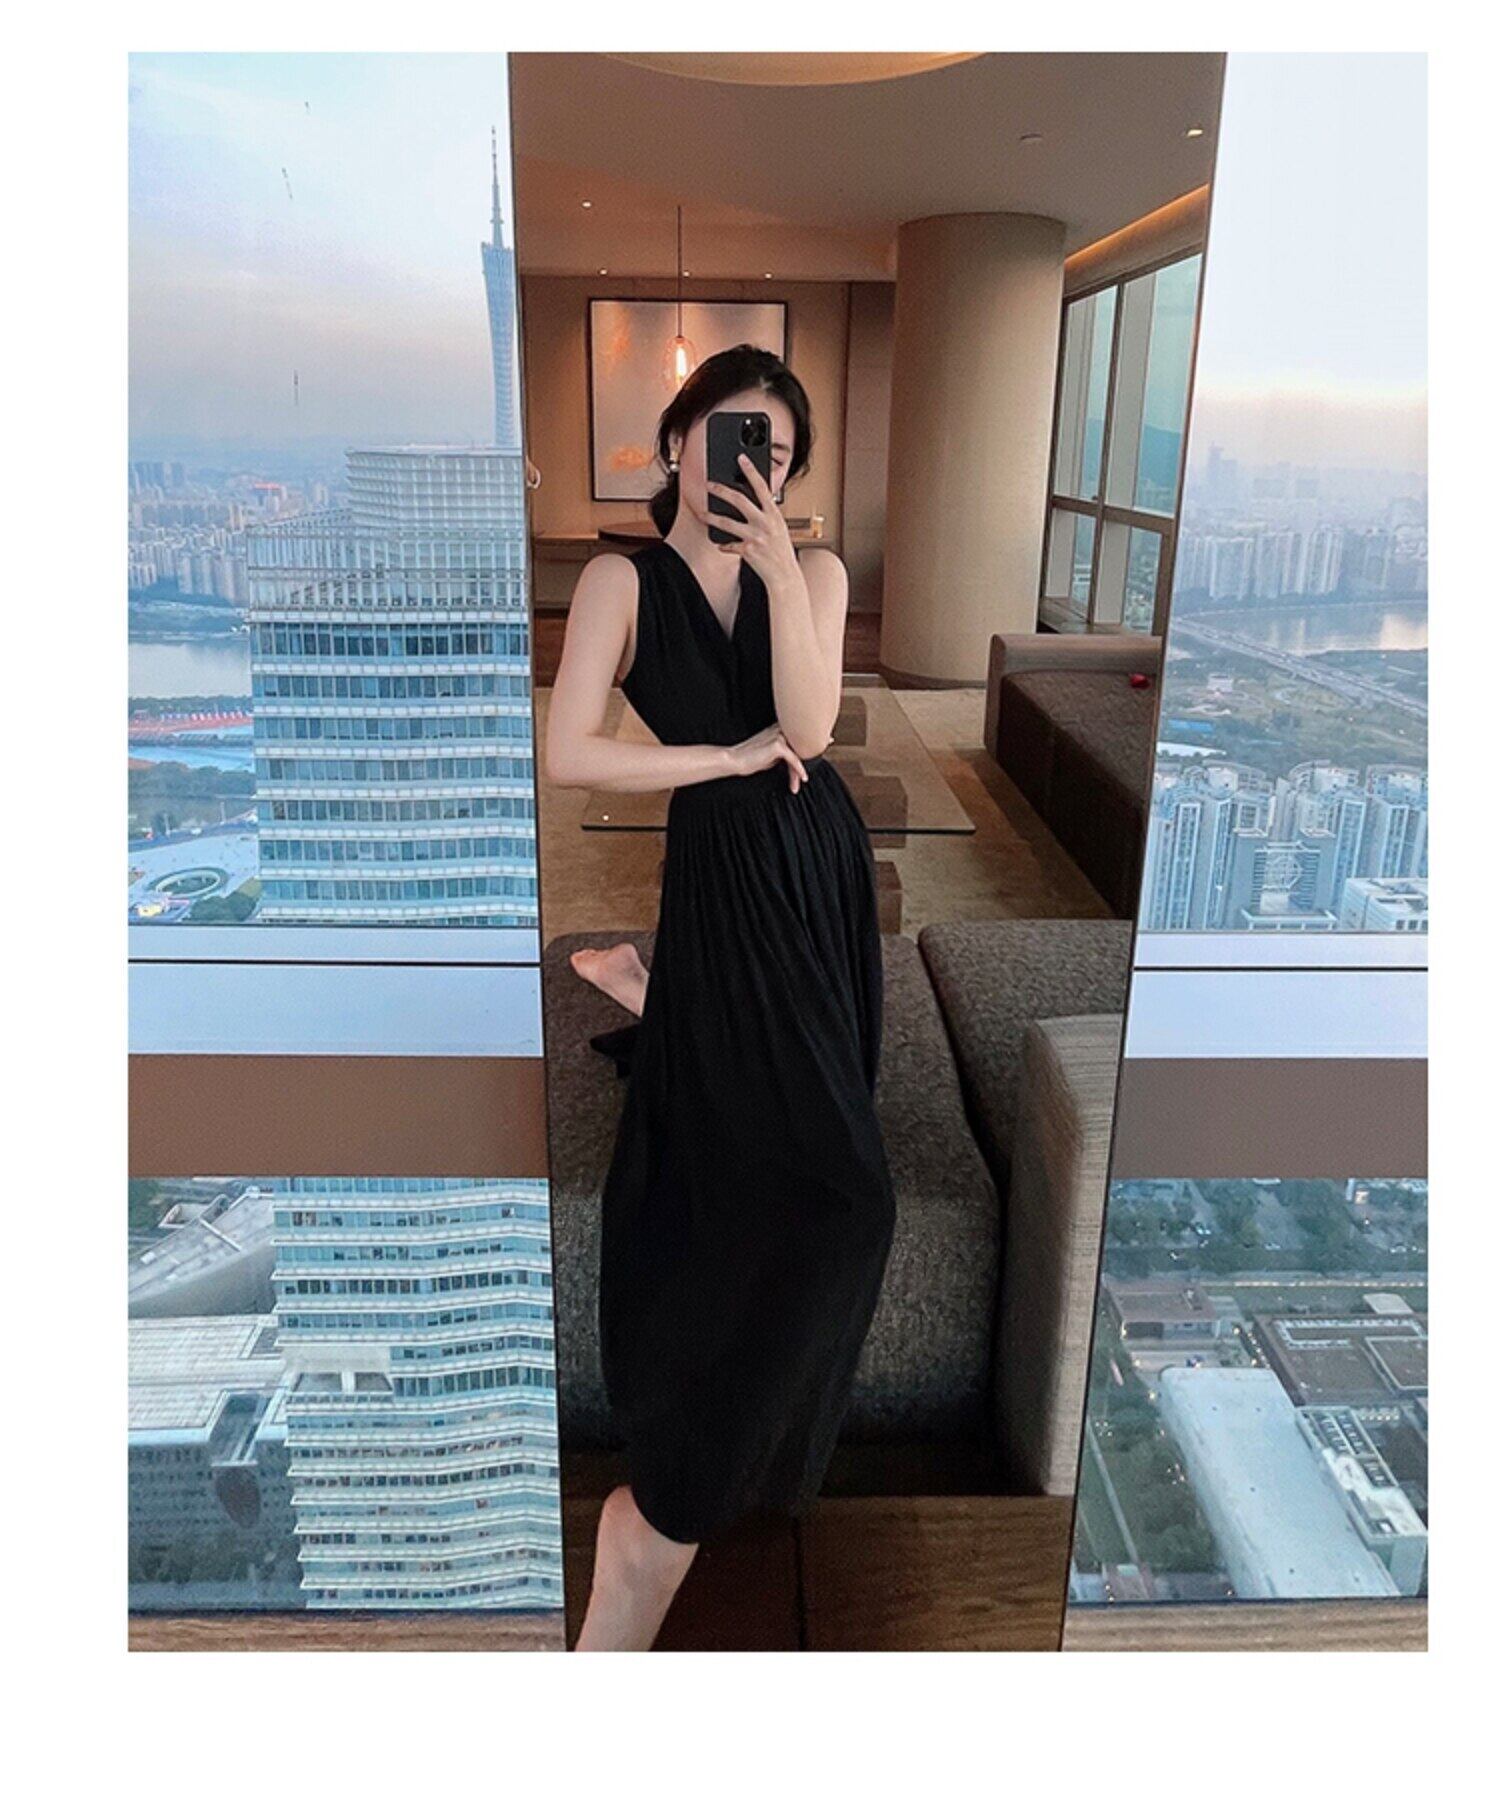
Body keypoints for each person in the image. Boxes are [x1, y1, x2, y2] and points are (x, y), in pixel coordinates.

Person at [544, 345, 896, 1651]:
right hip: (718, 863)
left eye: (780, 455)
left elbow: (809, 728)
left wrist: (783, 577)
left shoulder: (817, 572)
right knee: (842, 1199)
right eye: (735, 436)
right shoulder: (618, 580)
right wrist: (719, 759)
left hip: (815, 866)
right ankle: (658, 1522)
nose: (756, 466)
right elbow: (569, 751)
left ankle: (657, 995)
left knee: (839, 1187)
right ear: (678, 440)